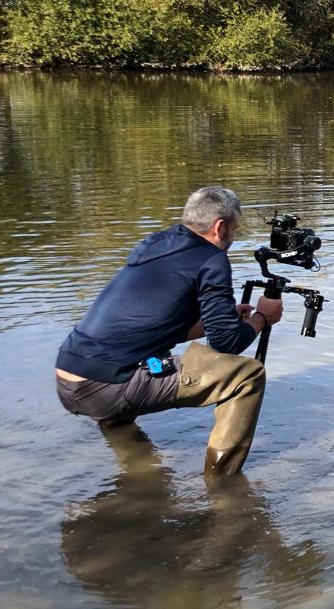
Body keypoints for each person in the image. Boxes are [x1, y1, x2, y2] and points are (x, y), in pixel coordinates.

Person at [55, 186, 284, 475]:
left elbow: (155, 327)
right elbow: (228, 343)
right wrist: (263, 317)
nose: (233, 238)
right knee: (247, 375)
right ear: (220, 227)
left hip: (69, 378)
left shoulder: (155, 244)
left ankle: (139, 466)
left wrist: (220, 320)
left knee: (155, 355)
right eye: (234, 230)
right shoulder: (212, 260)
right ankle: (223, 484)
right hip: (107, 389)